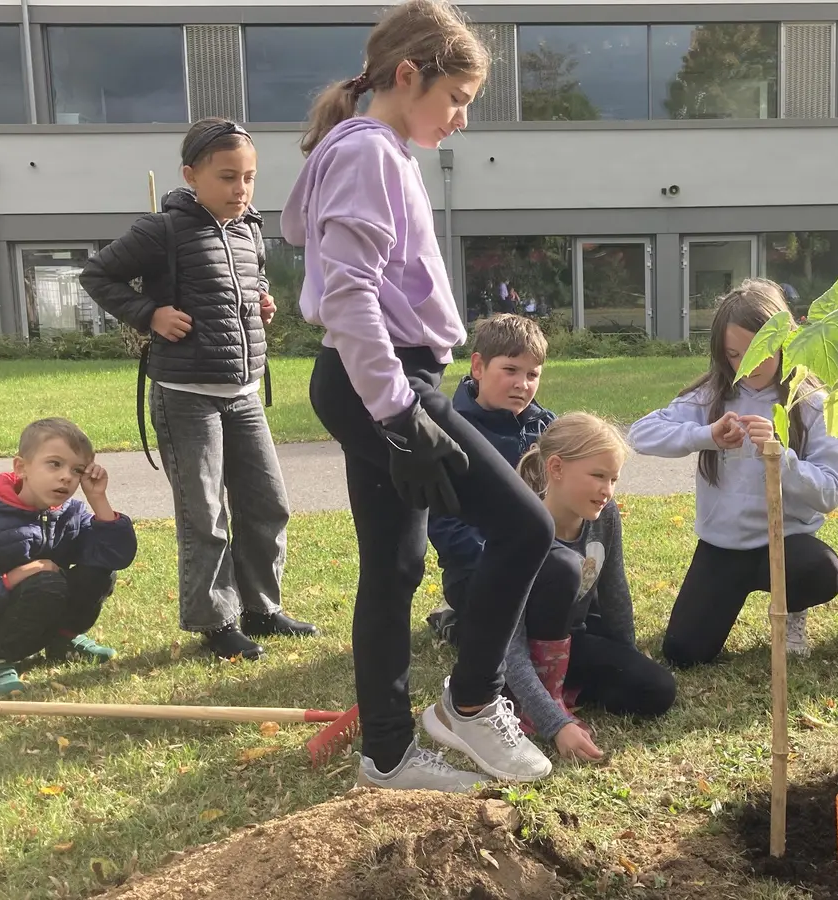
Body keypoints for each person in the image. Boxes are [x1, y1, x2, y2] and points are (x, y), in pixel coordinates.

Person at [283, 0, 554, 792]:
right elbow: (351, 296)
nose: (463, 118)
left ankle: (388, 755)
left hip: (372, 380)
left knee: (394, 568)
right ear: (409, 75)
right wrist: (401, 416)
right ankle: (469, 705)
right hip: (385, 382)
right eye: (458, 98)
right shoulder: (369, 151)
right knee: (527, 528)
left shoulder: (376, 149)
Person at [81, 117, 316, 663]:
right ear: (191, 176)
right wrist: (150, 314)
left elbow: (248, 281)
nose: (241, 189)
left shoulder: (248, 228)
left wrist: (262, 304)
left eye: (250, 177)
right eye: (228, 176)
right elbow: (97, 276)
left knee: (266, 502)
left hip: (244, 389)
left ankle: (262, 607)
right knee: (204, 511)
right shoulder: (161, 230)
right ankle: (216, 621)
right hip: (184, 391)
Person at [628, 279, 838, 668]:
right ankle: (724, 597)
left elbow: (830, 492)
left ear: (784, 342)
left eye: (759, 352)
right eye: (734, 354)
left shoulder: (810, 403)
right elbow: (641, 434)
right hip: (723, 546)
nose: (747, 365)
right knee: (683, 653)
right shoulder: (712, 395)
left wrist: (782, 459)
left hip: (785, 541)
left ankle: (792, 608)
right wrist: (706, 435)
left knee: (823, 572)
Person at [508, 413, 677, 762]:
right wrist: (555, 724)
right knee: (564, 566)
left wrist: (627, 657)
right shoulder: (521, 531)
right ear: (556, 468)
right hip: (513, 657)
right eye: (598, 476)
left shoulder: (606, 515)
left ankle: (564, 689)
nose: (607, 490)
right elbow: (510, 648)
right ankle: (537, 702)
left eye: (613, 479)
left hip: (574, 642)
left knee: (658, 691)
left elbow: (615, 592)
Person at [0, 418, 138, 697]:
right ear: (21, 468)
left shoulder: (70, 513)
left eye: (77, 470)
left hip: (45, 603)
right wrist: (16, 576)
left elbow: (115, 555)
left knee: (99, 571)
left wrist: (98, 500)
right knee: (46, 582)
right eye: (55, 464)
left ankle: (62, 641)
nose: (66, 476)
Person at [426, 313, 556, 643]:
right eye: (510, 370)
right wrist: (501, 560)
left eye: (532, 374)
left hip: (542, 558)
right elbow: (444, 525)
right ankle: (456, 623)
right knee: (510, 631)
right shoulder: (451, 433)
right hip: (477, 568)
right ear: (478, 367)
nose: (521, 384)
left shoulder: (547, 428)